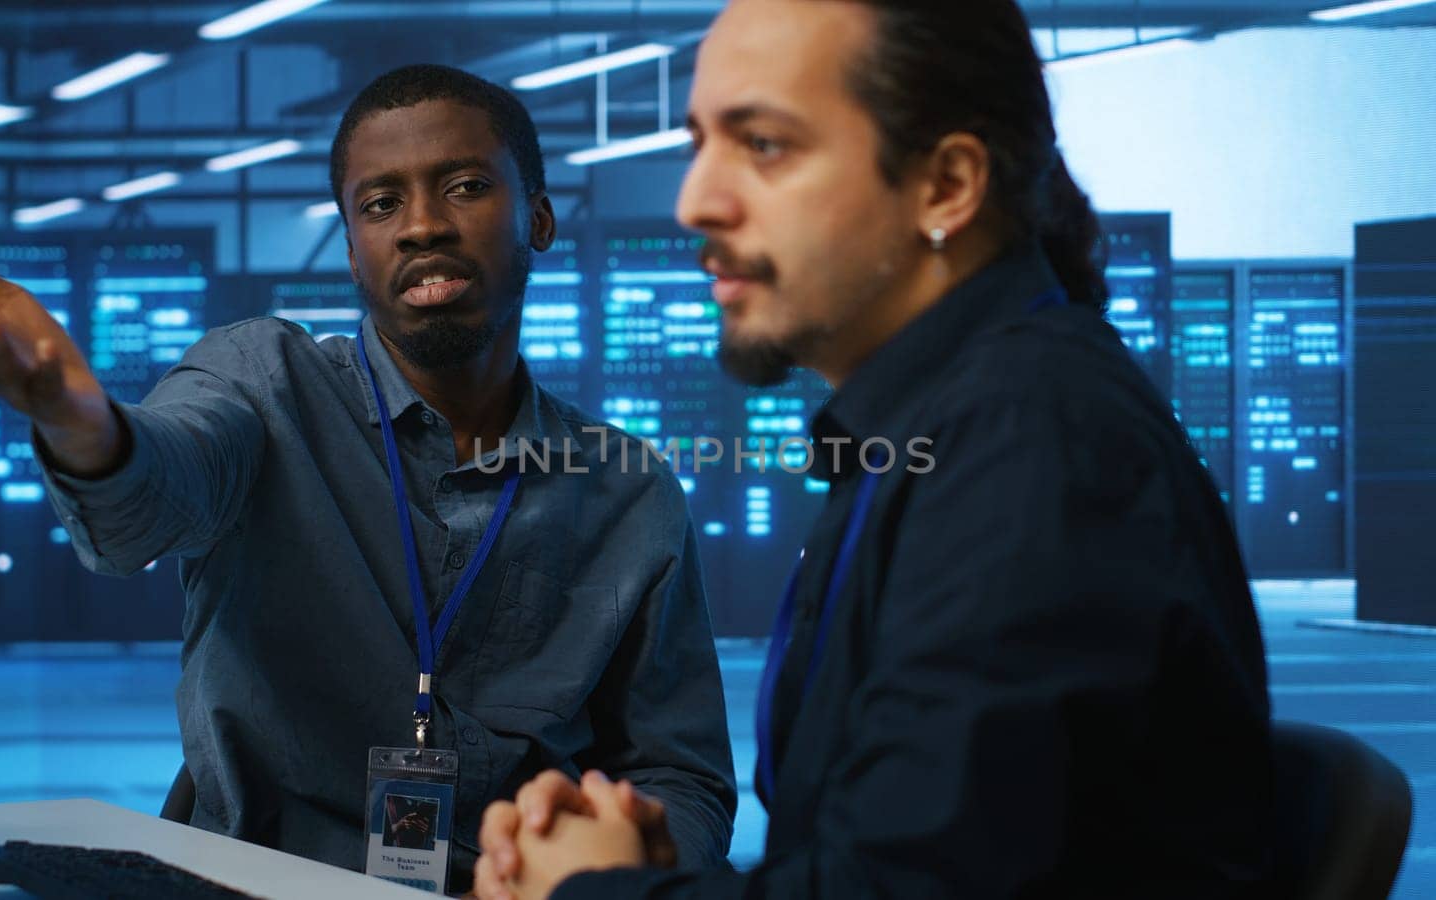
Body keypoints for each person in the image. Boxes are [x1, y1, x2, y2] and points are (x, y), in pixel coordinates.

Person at [474, 1, 1274, 897]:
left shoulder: (1032, 452)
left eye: (764, 145)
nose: (696, 200)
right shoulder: (943, 426)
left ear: (945, 187)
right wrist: (648, 877)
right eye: (702, 142)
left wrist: (587, 894)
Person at [0, 64, 736, 894]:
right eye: (381, 204)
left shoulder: (628, 492)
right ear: (350, 248)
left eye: (466, 186)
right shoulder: (262, 387)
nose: (421, 227)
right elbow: (145, 504)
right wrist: (84, 430)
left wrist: (618, 867)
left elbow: (682, 779)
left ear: (539, 218)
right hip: (249, 883)